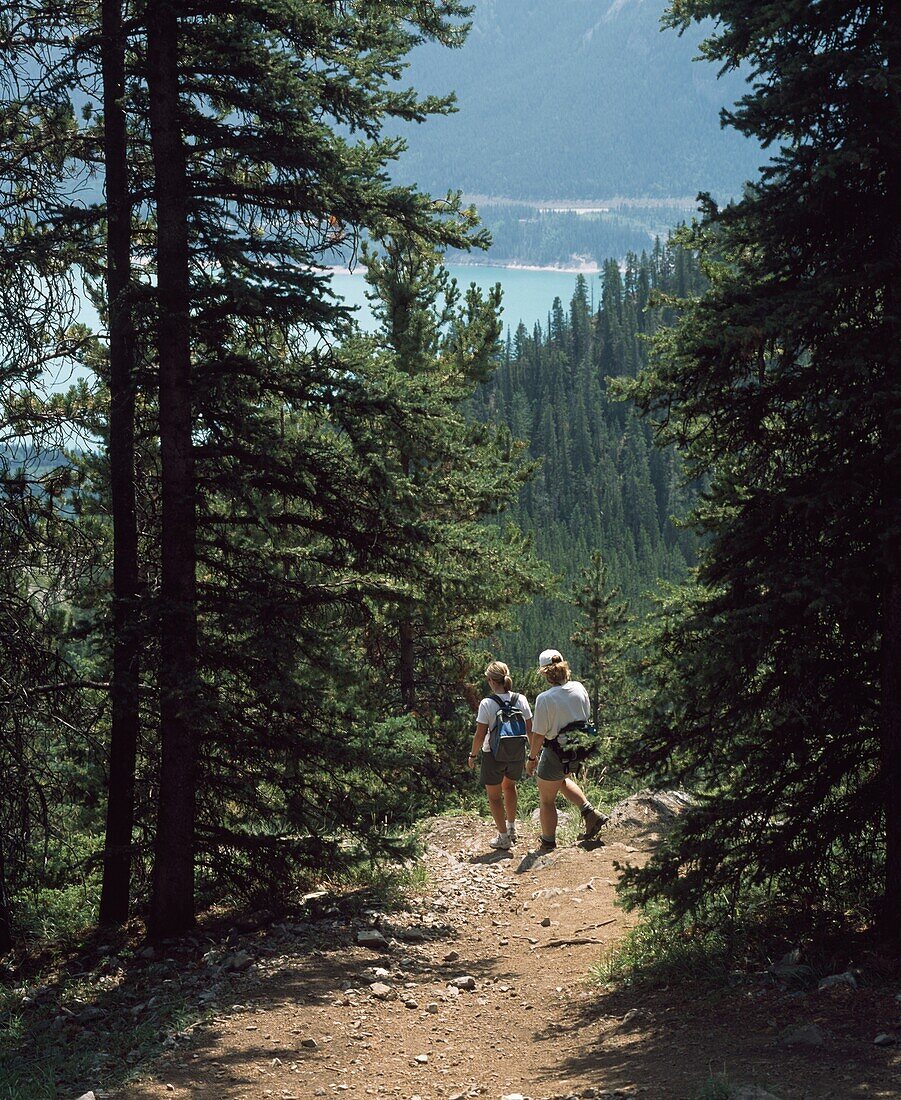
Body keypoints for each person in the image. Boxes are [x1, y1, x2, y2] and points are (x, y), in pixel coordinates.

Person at [525, 648, 607, 851]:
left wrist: (532, 758)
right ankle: (590, 814)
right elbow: (585, 715)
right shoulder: (579, 688)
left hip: (555, 751)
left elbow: (539, 734)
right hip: (578, 749)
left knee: (546, 800)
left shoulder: (545, 698)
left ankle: (548, 842)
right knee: (560, 780)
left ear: (545, 673)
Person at [467, 660, 533, 850]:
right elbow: (529, 729)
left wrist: (472, 755)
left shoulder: (487, 703)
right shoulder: (521, 699)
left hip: (493, 754)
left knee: (494, 796)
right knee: (510, 787)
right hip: (517, 753)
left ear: (490, 680)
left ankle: (503, 837)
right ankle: (512, 829)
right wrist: (532, 756)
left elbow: (480, 734)